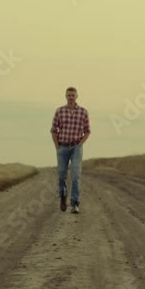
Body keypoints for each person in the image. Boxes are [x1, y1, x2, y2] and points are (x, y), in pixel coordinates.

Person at [50, 86, 89, 214]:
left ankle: (74, 204)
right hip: (62, 147)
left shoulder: (83, 112)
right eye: (69, 95)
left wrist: (80, 145)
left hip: (76, 147)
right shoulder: (59, 111)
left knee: (75, 175)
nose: (71, 97)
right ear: (65, 96)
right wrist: (57, 147)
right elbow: (53, 130)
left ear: (77, 96)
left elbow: (87, 131)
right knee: (62, 176)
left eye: (73, 95)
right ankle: (63, 195)